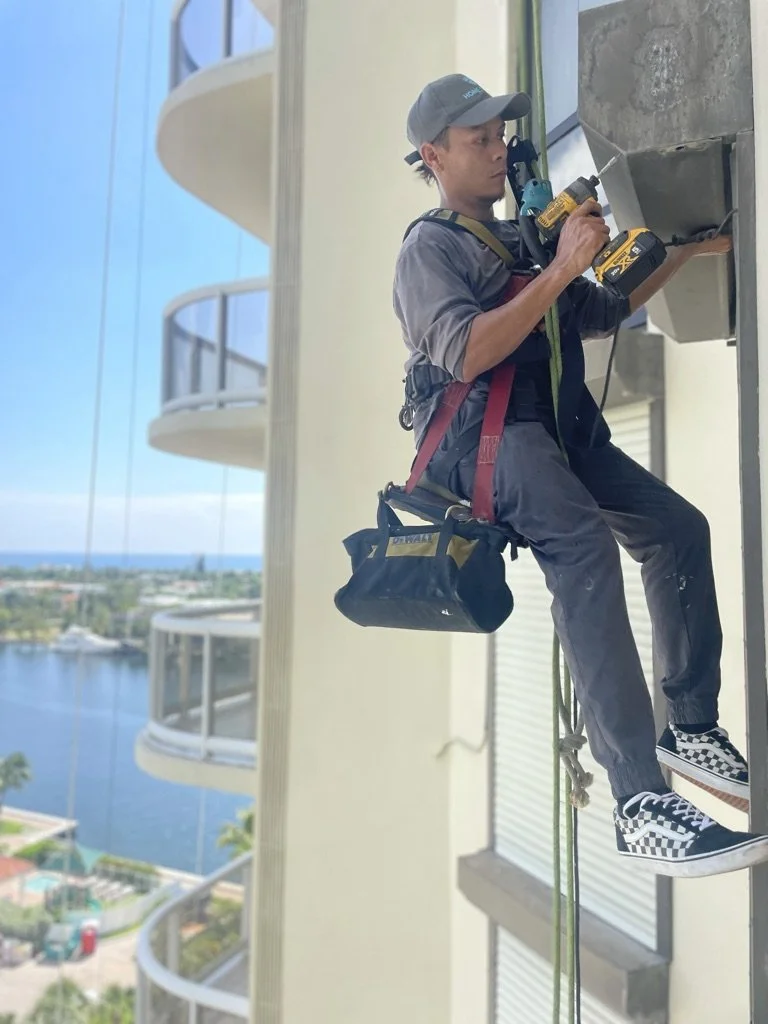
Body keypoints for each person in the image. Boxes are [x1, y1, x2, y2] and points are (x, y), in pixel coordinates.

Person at [393, 73, 768, 877]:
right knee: (583, 550)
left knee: (676, 530)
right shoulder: (430, 247)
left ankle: (691, 729)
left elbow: (595, 315)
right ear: (434, 155)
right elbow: (467, 350)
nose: (498, 149)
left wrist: (689, 248)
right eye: (477, 140)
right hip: (487, 437)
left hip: (557, 427)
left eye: (500, 135)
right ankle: (640, 802)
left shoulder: (523, 241)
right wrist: (562, 267)